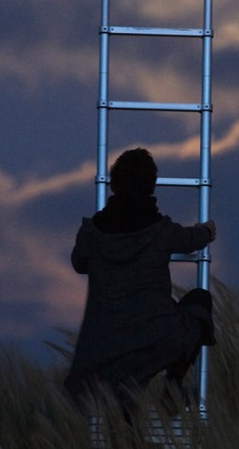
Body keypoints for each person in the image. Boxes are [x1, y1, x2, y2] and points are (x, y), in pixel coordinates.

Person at [64, 148, 216, 409]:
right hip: (158, 336)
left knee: (122, 408)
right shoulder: (161, 230)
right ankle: (172, 388)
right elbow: (191, 240)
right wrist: (207, 230)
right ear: (152, 187)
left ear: (113, 184)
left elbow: (79, 263)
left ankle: (128, 445)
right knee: (200, 300)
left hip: (107, 344)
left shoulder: (92, 232)